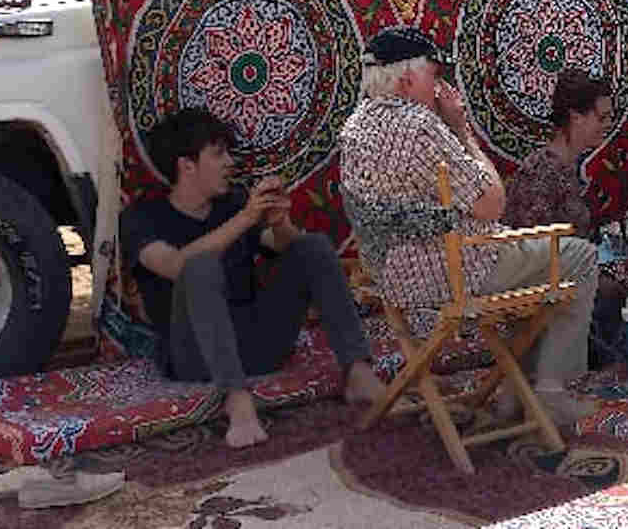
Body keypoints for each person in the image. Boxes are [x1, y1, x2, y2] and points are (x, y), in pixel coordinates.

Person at [337, 28, 602, 425]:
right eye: (434, 74)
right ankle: (550, 389)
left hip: (387, 272)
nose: (441, 85)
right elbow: (492, 205)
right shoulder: (421, 126)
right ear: (407, 78)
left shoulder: (356, 126)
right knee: (578, 257)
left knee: (532, 273)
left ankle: (516, 393)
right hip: (451, 274)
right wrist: (462, 130)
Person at [121, 107, 389, 449]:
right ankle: (237, 399)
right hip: (194, 356)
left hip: (258, 344)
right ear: (186, 166)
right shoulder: (142, 216)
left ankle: (358, 372)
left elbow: (283, 246)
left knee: (313, 246)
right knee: (200, 267)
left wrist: (279, 222)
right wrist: (246, 218)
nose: (230, 163)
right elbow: (175, 265)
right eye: (218, 154)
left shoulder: (232, 204)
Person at [504, 70, 612, 237]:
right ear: (576, 117)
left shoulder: (565, 165)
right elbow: (532, 248)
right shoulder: (541, 174)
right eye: (602, 118)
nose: (608, 125)